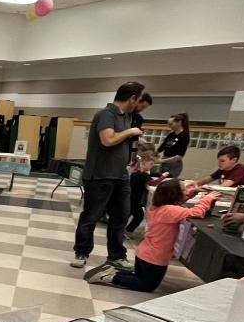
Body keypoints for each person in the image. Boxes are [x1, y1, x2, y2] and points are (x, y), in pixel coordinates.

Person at [86, 178, 217, 289]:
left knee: (139, 277)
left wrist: (192, 193)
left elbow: (177, 204)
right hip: (155, 258)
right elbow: (196, 212)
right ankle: (110, 278)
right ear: (175, 195)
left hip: (144, 254)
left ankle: (112, 272)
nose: (187, 192)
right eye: (184, 190)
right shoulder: (171, 211)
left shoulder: (158, 206)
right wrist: (207, 199)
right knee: (147, 285)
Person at [71, 82, 146, 271]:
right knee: (91, 216)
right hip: (100, 176)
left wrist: (133, 157)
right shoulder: (106, 114)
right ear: (132, 98)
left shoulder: (127, 117)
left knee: (120, 216)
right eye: (138, 100)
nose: (138, 104)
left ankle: (116, 256)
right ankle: (81, 252)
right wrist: (130, 131)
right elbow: (108, 140)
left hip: (120, 176)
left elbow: (121, 143)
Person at [126, 143, 157, 236]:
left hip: (130, 198)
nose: (152, 166)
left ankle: (122, 229)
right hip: (134, 200)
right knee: (139, 216)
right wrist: (164, 176)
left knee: (128, 214)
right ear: (143, 163)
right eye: (151, 164)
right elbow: (153, 183)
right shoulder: (143, 175)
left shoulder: (135, 173)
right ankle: (127, 231)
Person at [157, 113, 189, 179]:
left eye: (171, 124)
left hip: (174, 163)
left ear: (179, 123)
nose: (169, 126)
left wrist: (162, 161)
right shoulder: (171, 134)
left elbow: (179, 156)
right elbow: (162, 147)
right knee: (160, 180)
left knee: (168, 181)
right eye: (168, 124)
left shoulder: (184, 136)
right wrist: (152, 155)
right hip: (165, 161)